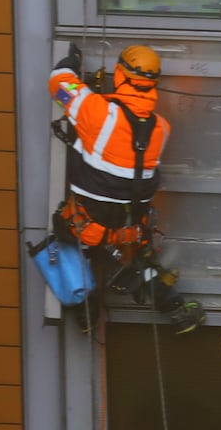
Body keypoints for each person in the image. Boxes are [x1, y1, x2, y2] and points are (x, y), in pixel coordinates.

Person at [48, 41, 204, 334]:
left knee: (76, 252)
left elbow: (58, 84)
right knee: (140, 263)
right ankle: (174, 307)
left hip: (87, 225)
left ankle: (85, 313)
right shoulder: (161, 128)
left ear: (120, 75)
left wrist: (72, 62)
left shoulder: (96, 111)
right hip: (130, 226)